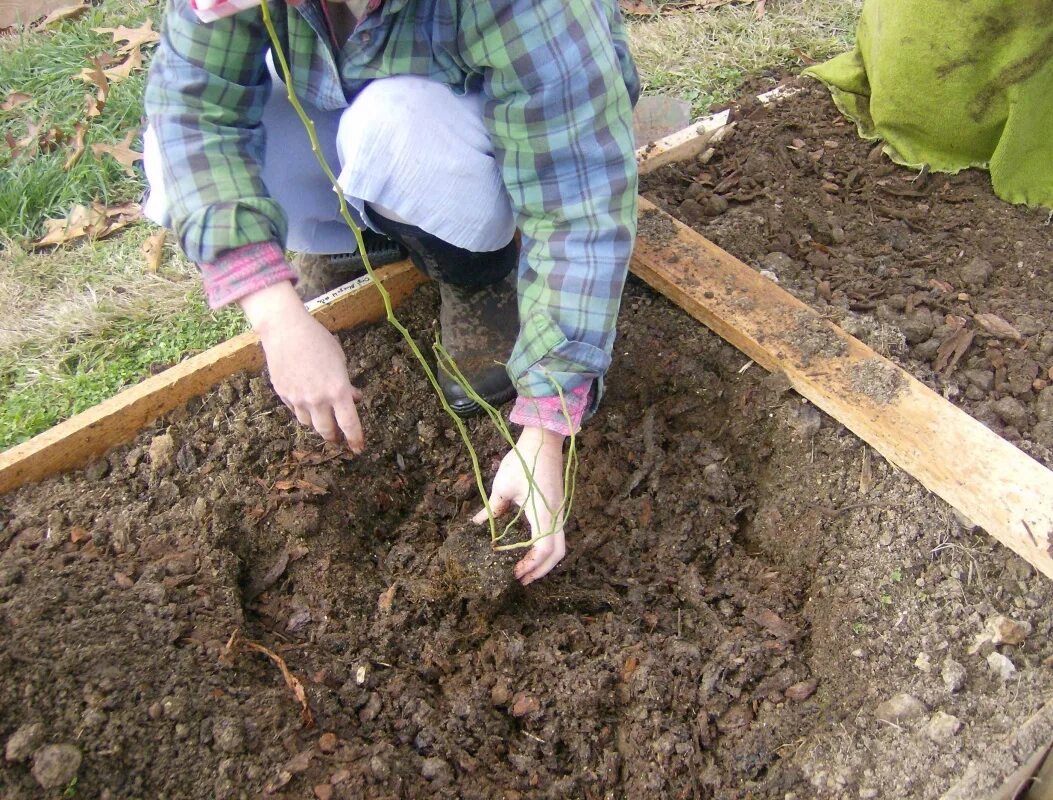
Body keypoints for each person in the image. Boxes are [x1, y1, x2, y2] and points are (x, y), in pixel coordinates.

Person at [142, 0, 640, 584]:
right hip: (341, 95)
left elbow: (576, 198)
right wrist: (276, 316)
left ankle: (474, 270)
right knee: (164, 151)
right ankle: (351, 239)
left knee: (395, 128)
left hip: (483, 125)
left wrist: (545, 432)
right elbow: (194, 115)